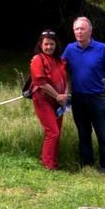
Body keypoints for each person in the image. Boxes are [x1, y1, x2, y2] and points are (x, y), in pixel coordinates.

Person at [61, 16, 105, 176]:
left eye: (82, 29)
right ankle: (87, 165)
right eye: (76, 29)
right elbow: (61, 69)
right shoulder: (70, 49)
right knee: (83, 134)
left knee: (102, 134)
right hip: (78, 98)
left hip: (98, 98)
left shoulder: (102, 48)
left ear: (90, 31)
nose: (79, 32)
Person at [30, 29, 69, 171]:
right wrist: (58, 96)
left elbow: (66, 79)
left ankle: (54, 161)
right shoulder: (37, 60)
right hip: (43, 100)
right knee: (52, 132)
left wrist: (65, 94)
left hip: (58, 102)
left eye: (51, 44)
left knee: (57, 131)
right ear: (41, 44)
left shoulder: (60, 60)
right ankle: (48, 165)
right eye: (46, 44)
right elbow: (40, 82)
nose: (49, 47)